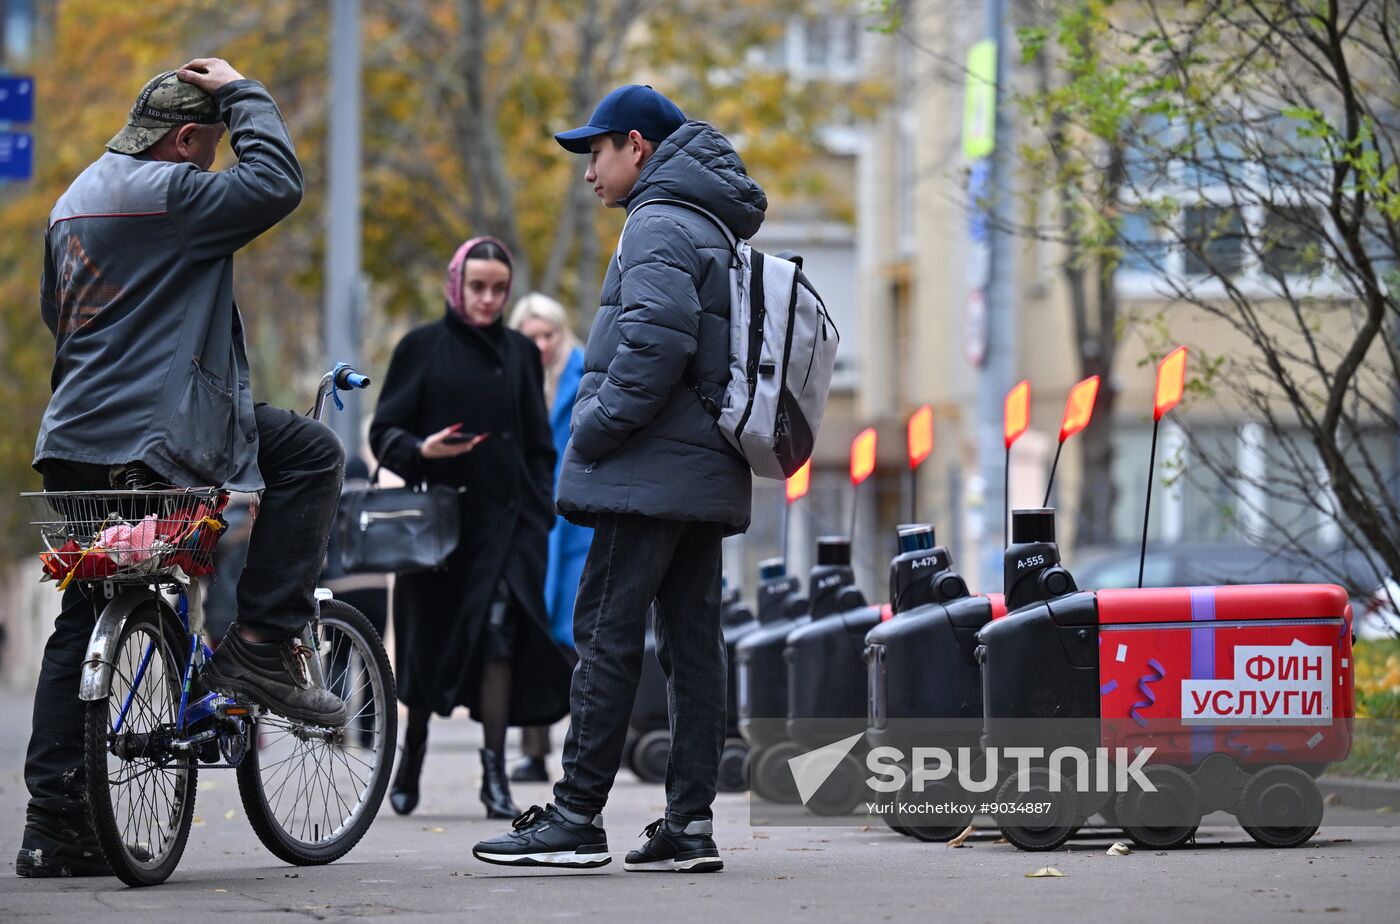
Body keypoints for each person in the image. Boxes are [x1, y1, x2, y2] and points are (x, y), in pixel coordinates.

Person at [20, 60, 347, 879]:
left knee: (82, 614)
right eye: (208, 146)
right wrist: (246, 93)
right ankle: (264, 644)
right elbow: (277, 184)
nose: (211, 162)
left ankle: (53, 826)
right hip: (159, 437)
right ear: (189, 138)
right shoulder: (177, 193)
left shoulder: (72, 201)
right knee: (312, 453)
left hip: (72, 443)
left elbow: (54, 315)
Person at [472, 85, 765, 873]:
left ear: (636, 146)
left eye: (595, 152)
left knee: (604, 633)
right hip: (700, 470)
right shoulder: (707, 220)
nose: (588, 171)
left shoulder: (660, 223)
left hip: (649, 469)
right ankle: (689, 826)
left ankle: (574, 817)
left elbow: (653, 348)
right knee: (693, 644)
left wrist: (589, 427)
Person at [369, 238, 572, 820]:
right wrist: (421, 449)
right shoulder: (420, 348)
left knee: (500, 639)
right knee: (426, 646)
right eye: (477, 286)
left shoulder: (519, 352)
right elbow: (386, 432)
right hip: (437, 530)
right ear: (454, 285)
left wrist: (539, 515)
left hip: (506, 530)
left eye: (498, 289)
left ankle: (495, 777)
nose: (487, 299)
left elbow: (539, 445)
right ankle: (412, 756)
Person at [506, 292, 589, 783]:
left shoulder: (585, 375)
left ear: (562, 333)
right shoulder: (513, 378)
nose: (540, 344)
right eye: (531, 335)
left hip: (578, 523)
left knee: (581, 638)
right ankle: (534, 751)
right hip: (532, 525)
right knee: (528, 635)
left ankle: (585, 751)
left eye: (548, 334)